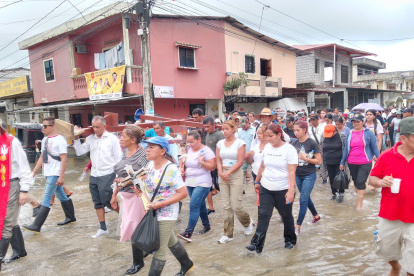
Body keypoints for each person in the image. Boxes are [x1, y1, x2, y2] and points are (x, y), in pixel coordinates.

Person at [139, 136, 193, 276]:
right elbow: (150, 188)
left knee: (159, 250)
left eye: (151, 147)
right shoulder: (150, 166)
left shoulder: (171, 169)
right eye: (147, 146)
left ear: (162, 151)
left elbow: (183, 193)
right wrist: (139, 190)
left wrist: (161, 204)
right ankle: (187, 264)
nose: (147, 149)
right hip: (154, 210)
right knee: (170, 240)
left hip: (167, 212)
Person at [369, 117, 414, 276]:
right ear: (403, 138)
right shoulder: (387, 156)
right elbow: (371, 179)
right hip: (390, 215)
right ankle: (395, 267)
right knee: (387, 251)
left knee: (413, 265)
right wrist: (381, 182)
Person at [246, 124, 297, 253]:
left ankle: (290, 240)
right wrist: (257, 181)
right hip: (266, 187)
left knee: (286, 215)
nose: (268, 139)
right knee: (263, 216)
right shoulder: (267, 147)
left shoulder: (289, 150)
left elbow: (292, 172)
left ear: (279, 135)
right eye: (266, 136)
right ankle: (256, 244)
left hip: (283, 189)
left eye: (271, 136)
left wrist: (291, 190)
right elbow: (263, 166)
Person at [23, 117, 75, 234]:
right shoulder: (45, 140)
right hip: (48, 172)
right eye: (43, 126)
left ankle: (37, 225)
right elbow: (42, 157)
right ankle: (71, 217)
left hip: (55, 173)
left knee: (46, 198)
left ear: (53, 127)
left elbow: (64, 159)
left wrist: (61, 176)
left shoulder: (60, 140)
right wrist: (35, 171)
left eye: (45, 126)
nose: (43, 128)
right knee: (61, 194)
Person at [73, 116, 122, 238]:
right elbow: (79, 152)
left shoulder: (112, 139)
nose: (95, 129)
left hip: (108, 174)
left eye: (98, 127)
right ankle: (103, 228)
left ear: (104, 126)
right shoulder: (90, 139)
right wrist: (76, 138)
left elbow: (118, 158)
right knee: (97, 203)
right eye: (93, 127)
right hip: (94, 174)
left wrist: (117, 176)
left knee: (109, 201)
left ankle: (126, 218)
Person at [110, 125, 149, 275]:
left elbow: (149, 175)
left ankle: (138, 263)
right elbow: (119, 178)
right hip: (125, 196)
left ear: (133, 139)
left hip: (138, 196)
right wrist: (114, 195)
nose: (120, 139)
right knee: (135, 226)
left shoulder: (144, 154)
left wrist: (137, 180)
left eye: (123, 136)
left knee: (134, 228)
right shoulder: (125, 153)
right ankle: (146, 250)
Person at [0, 125, 33, 270]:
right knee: (9, 219)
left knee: (6, 222)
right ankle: (20, 251)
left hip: (11, 185)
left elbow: (24, 167)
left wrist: (24, 190)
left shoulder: (12, 142)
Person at [216, 120, 254, 244]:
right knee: (226, 206)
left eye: (227, 129)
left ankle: (247, 222)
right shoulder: (220, 143)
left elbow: (240, 161)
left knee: (236, 206)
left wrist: (228, 173)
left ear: (233, 129)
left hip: (235, 174)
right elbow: (218, 160)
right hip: (223, 174)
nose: (224, 131)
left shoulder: (240, 143)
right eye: (223, 129)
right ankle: (228, 233)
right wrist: (221, 172)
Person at [178, 130, 215, 242]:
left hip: (203, 182)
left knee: (194, 205)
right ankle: (207, 226)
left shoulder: (206, 151)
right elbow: (183, 161)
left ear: (199, 139)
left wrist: (201, 163)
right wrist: (182, 169)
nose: (190, 144)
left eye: (192, 142)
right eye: (188, 142)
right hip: (190, 182)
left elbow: (212, 167)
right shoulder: (188, 149)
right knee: (200, 204)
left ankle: (188, 233)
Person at [340, 114, 380, 210]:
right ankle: (359, 198)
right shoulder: (349, 134)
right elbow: (346, 149)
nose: (356, 123)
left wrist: (380, 160)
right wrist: (342, 162)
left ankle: (359, 204)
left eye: (358, 121)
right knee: (355, 181)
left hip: (365, 162)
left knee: (361, 181)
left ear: (363, 122)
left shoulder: (368, 133)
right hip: (351, 162)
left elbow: (374, 147)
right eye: (354, 122)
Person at [291, 121, 322, 234]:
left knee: (303, 199)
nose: (295, 132)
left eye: (298, 130)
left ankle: (298, 225)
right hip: (298, 175)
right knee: (306, 197)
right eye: (294, 130)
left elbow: (319, 161)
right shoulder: (294, 143)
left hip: (309, 174)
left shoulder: (312, 143)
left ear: (304, 130)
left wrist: (306, 159)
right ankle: (316, 216)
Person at [203, 117, 224, 215]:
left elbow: (223, 150)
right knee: (209, 186)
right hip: (209, 165)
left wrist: (219, 164)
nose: (206, 129)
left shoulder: (219, 135)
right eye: (205, 127)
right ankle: (211, 208)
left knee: (219, 185)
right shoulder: (207, 134)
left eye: (208, 127)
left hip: (217, 165)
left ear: (213, 125)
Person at [321, 124, 348, 202]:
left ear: (335, 131)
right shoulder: (323, 136)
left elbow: (345, 149)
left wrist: (343, 162)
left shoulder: (342, 136)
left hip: (339, 162)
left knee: (340, 178)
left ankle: (341, 194)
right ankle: (334, 193)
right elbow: (321, 147)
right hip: (328, 162)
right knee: (332, 178)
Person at [246, 126, 267, 213]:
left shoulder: (270, 146)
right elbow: (250, 162)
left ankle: (281, 213)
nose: (258, 135)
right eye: (257, 133)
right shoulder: (255, 146)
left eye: (260, 133)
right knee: (259, 196)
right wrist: (247, 157)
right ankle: (260, 217)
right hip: (255, 173)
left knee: (267, 197)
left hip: (266, 175)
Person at [238, 117, 255, 184]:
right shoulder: (240, 131)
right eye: (241, 126)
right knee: (241, 172)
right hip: (243, 155)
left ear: (248, 122)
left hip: (252, 155)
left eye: (244, 125)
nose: (243, 127)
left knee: (254, 171)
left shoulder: (254, 130)